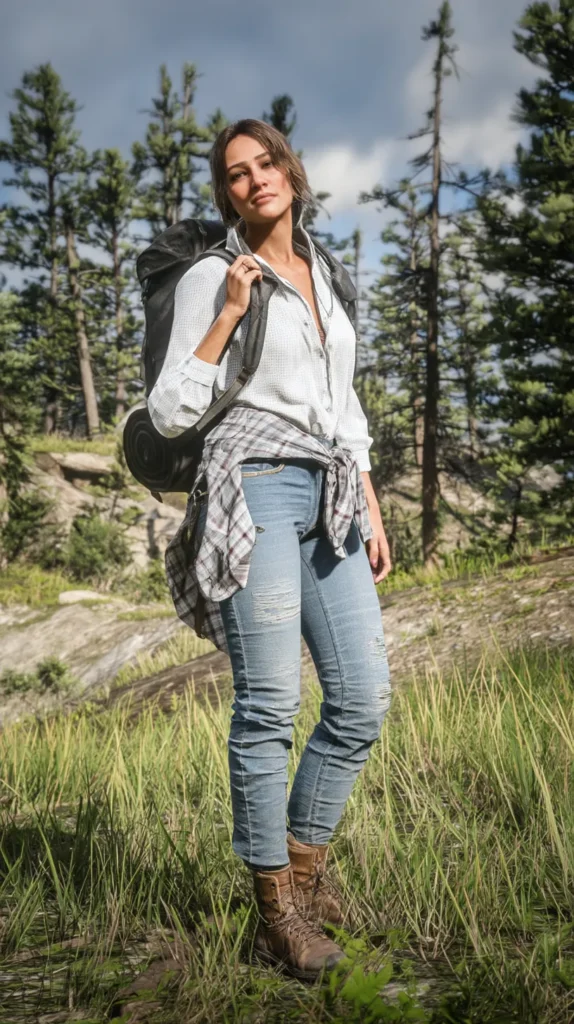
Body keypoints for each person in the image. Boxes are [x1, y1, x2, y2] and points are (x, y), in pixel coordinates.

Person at [148, 119, 393, 981]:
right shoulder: (217, 275)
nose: (255, 181)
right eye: (236, 175)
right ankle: (276, 912)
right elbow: (171, 409)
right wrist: (227, 317)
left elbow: (342, 402)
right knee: (268, 705)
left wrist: (364, 493)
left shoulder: (327, 274)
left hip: (327, 487)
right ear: (227, 194)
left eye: (266, 164)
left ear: (290, 170)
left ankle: (305, 867)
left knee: (363, 697)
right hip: (250, 483)